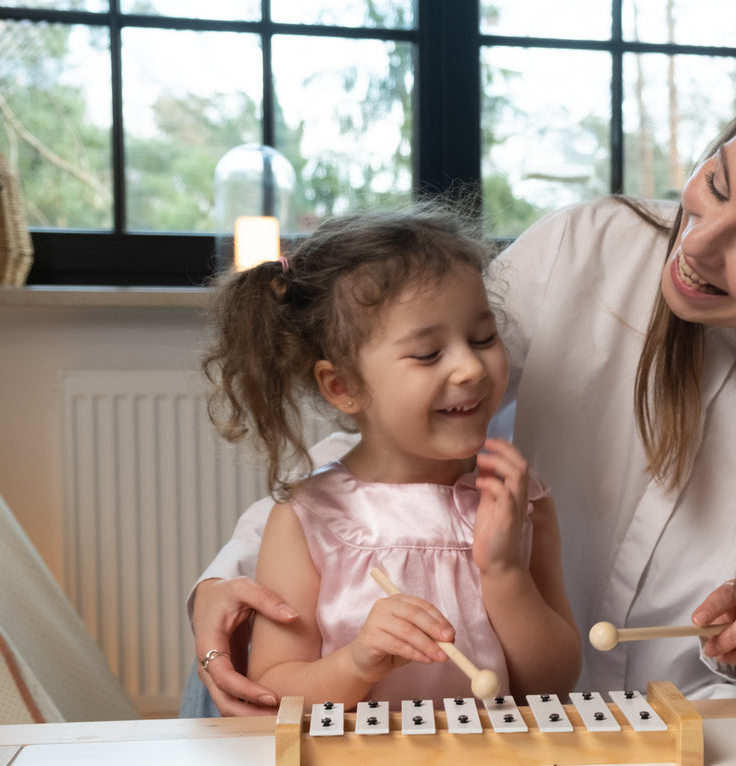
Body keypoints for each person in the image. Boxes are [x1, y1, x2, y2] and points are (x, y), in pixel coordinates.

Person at [184, 54, 736, 717]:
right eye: (712, 184)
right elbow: (393, 421)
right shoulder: (590, 249)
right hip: (500, 731)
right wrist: (227, 573)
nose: (696, 245)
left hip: (692, 750)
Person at [197, 207, 580, 705]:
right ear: (343, 386)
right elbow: (273, 687)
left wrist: (504, 574)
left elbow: (553, 684)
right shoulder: (307, 520)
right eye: (427, 354)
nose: (469, 367)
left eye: (483, 338)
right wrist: (357, 662)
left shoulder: (520, 498)